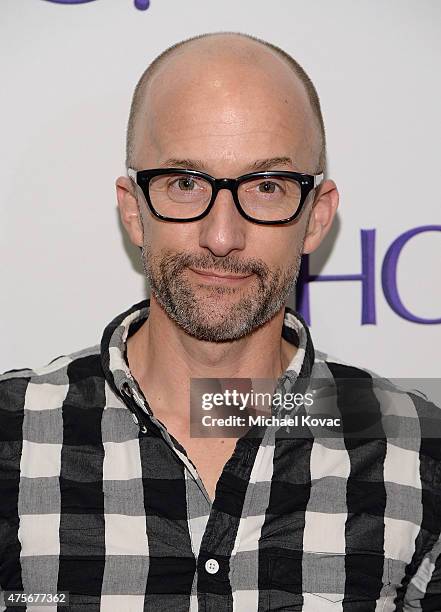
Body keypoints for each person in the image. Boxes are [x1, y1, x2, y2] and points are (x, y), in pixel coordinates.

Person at [1, 31, 440, 612]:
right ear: (134, 209)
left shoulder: (416, 451)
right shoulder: (12, 438)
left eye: (266, 187)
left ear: (316, 218)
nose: (222, 237)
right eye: (185, 183)